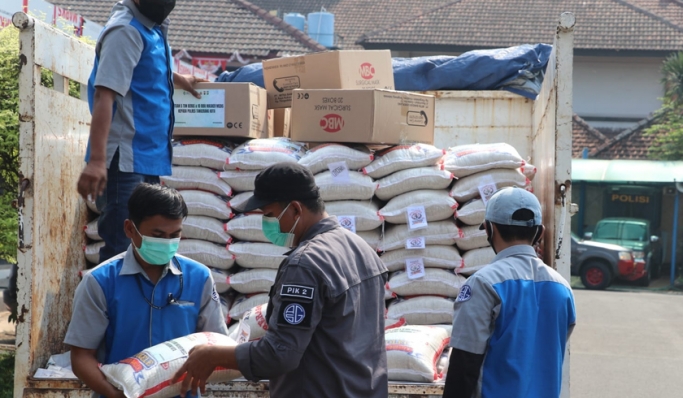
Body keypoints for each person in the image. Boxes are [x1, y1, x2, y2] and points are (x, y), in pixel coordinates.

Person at [172, 163, 389, 398]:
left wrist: (214, 355)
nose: (267, 224)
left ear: (295, 209)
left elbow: (280, 354)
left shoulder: (305, 264)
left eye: (269, 215)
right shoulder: (362, 249)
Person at [65, 183, 228, 398]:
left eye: (174, 235)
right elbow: (82, 356)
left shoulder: (199, 277)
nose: (167, 243)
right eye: (158, 235)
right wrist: (116, 395)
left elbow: (216, 343)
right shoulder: (100, 282)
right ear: (130, 229)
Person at [76, 0, 205, 263]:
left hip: (146, 156)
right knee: (121, 249)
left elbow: (144, 68)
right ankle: (111, 304)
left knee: (143, 248)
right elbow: (104, 95)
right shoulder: (126, 31)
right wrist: (98, 161)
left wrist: (178, 78)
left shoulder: (152, 27)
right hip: (124, 161)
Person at [442, 187, 576, 398]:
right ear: (540, 233)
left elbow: (464, 365)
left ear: (489, 230)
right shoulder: (562, 287)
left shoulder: (483, 284)